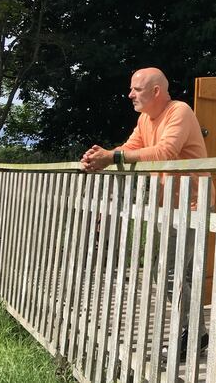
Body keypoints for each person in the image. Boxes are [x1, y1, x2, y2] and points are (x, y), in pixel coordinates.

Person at [81, 67, 208, 359]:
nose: (129, 95)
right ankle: (196, 334)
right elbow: (128, 149)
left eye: (136, 89)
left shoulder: (180, 111)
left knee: (170, 272)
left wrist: (111, 157)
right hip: (171, 206)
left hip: (191, 205)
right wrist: (100, 157)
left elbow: (166, 151)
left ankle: (191, 334)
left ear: (156, 92)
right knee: (177, 273)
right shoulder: (144, 119)